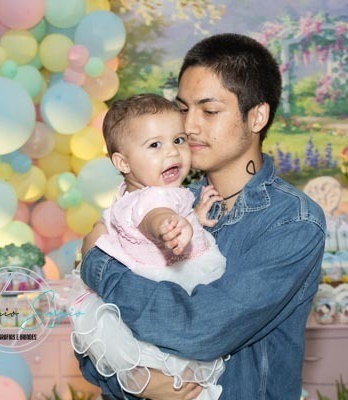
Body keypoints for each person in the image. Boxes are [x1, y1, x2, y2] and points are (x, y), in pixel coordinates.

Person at [77, 33, 326, 400]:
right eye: (182, 109)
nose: (189, 126)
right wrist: (136, 380)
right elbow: (91, 343)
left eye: (209, 111)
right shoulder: (171, 203)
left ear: (257, 116)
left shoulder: (293, 222)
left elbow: (200, 329)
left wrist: (98, 265)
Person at [70, 94, 227, 399]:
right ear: (123, 162)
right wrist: (169, 225)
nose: (172, 151)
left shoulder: (142, 192)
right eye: (155, 145)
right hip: (168, 280)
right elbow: (152, 217)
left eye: (178, 140)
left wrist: (193, 218)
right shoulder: (153, 199)